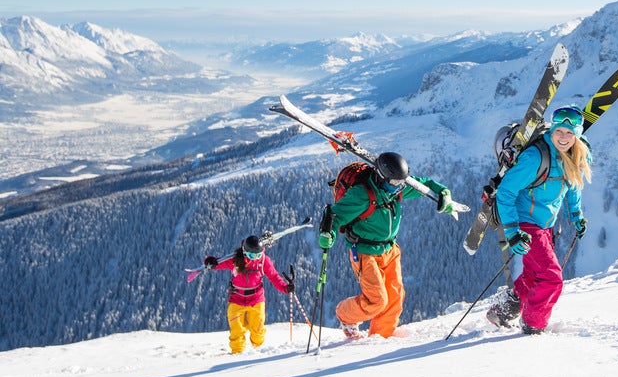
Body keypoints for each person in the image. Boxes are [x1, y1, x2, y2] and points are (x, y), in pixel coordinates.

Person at [317, 152, 455, 338]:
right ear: (382, 177)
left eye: (401, 183)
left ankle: (380, 339)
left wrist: (443, 192)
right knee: (377, 300)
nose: (399, 188)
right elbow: (336, 215)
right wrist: (328, 233)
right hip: (365, 252)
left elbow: (424, 185)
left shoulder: (396, 185)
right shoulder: (361, 194)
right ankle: (345, 315)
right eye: (395, 183)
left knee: (394, 299)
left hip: (390, 250)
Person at [487, 105, 592, 334]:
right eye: (559, 131)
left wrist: (576, 215)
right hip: (525, 223)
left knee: (534, 274)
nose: (563, 138)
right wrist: (513, 231)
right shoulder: (535, 157)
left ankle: (503, 311)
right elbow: (505, 192)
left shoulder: (576, 154)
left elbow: (574, 186)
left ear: (577, 136)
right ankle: (533, 326)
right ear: (552, 130)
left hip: (544, 225)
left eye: (569, 133)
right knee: (551, 279)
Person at [204, 235, 294, 354]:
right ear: (245, 251)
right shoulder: (235, 260)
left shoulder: (263, 261)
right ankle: (237, 354)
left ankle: (257, 351)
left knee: (258, 331)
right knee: (236, 331)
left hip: (256, 299)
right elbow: (218, 263)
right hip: (237, 299)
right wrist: (210, 262)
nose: (255, 258)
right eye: (252, 255)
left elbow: (273, 276)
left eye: (258, 255)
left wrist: (285, 288)